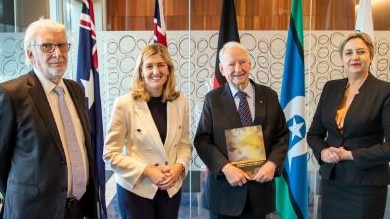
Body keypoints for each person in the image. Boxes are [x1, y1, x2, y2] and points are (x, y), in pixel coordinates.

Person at [0, 18, 101, 218]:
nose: (58, 53)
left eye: (62, 45)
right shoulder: (11, 94)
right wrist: (23, 194)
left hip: (76, 209)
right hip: (33, 211)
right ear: (31, 54)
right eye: (47, 46)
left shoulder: (76, 90)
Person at [193, 41, 289, 219]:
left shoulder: (269, 96)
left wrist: (272, 163)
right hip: (224, 193)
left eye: (242, 62)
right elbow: (202, 141)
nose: (238, 69)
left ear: (250, 64)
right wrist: (226, 168)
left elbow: (281, 135)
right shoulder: (213, 100)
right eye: (231, 64)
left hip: (259, 192)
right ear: (222, 69)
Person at [103, 43, 192, 219]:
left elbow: (184, 144)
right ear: (141, 71)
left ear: (168, 70)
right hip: (136, 189)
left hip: (170, 188)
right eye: (149, 66)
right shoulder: (125, 103)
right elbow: (110, 153)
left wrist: (178, 167)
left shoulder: (181, 102)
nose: (155, 71)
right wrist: (148, 171)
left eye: (161, 65)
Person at [307, 32, 390, 219]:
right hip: (332, 181)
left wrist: (350, 155)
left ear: (371, 56)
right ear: (342, 58)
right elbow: (314, 135)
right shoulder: (331, 87)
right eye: (349, 52)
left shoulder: (385, 91)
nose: (354, 57)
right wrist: (323, 152)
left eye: (361, 52)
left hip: (366, 184)